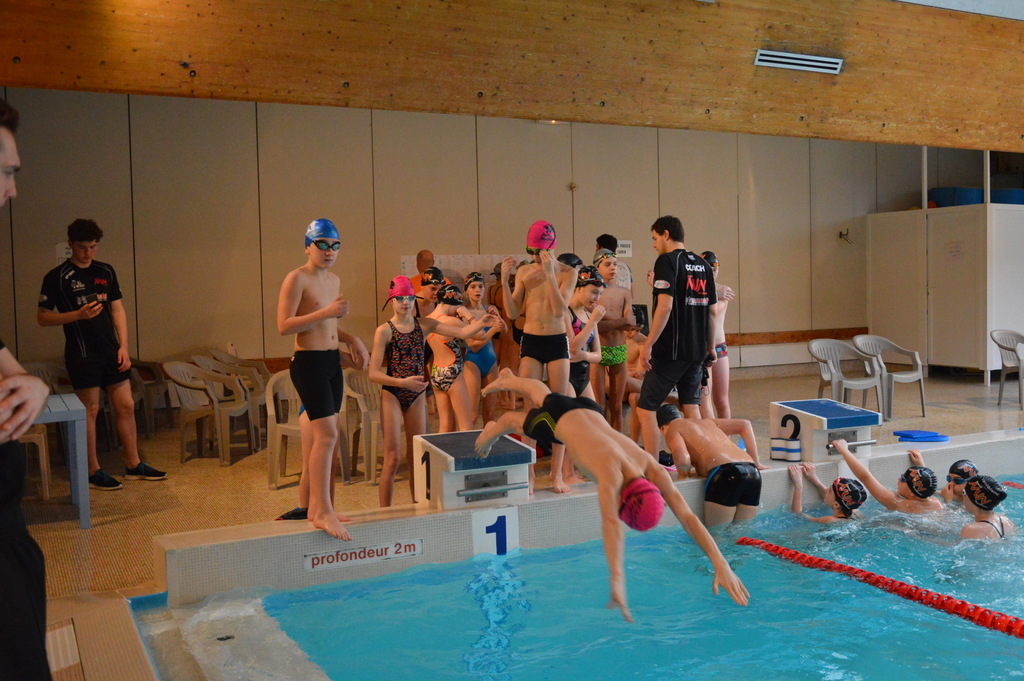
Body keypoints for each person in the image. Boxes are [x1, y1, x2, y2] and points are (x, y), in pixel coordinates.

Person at [474, 369, 749, 622]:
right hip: (561, 422)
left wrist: (719, 561)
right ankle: (492, 429)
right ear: (623, 502)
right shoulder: (611, 472)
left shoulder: (650, 467)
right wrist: (617, 581)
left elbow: (688, 517)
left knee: (545, 396)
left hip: (592, 412)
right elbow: (610, 524)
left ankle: (510, 380)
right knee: (515, 422)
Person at [37, 218, 167, 491]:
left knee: (126, 405)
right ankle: (92, 470)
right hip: (82, 353)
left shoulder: (105, 271)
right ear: (71, 245)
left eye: (93, 247)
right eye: (82, 247)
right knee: (91, 410)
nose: (88, 253)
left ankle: (133, 464)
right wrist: (77, 315)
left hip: (111, 350)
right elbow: (43, 317)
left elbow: (117, 310)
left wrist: (124, 347)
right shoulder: (57, 276)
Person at [0, 96, 55, 681]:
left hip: (10, 534)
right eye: (5, 172)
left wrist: (31, 387)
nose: (13, 190)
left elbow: (14, 371)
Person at [369, 276, 499, 506]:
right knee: (392, 457)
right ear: (391, 300)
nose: (405, 303)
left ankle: (417, 506)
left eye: (409, 298)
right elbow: (373, 374)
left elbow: (463, 334)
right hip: (393, 393)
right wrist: (402, 383)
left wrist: (482, 322)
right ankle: (384, 512)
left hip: (417, 393)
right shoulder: (384, 331)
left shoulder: (425, 325)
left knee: (416, 457)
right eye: (400, 298)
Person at [277, 218, 369, 539]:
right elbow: (284, 325)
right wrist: (327, 312)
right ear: (308, 246)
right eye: (322, 245)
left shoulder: (333, 279)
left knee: (330, 435)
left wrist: (351, 340)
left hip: (331, 362)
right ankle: (323, 511)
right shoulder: (296, 278)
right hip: (308, 364)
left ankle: (318, 508)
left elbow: (327, 326)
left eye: (335, 246)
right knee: (326, 436)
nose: (329, 251)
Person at [500, 220, 577, 493]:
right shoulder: (524, 272)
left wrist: (550, 275)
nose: (534, 257)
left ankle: (556, 475)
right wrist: (504, 282)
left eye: (538, 251)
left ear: (552, 247)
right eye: (531, 251)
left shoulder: (568, 272)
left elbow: (559, 310)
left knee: (558, 409)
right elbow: (512, 313)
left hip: (557, 342)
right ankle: (529, 474)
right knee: (530, 409)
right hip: (531, 341)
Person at [636, 216, 718, 456]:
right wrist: (710, 348)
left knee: (646, 408)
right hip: (697, 350)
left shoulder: (667, 261)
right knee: (691, 407)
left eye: (654, 238)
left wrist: (648, 344)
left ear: (666, 234)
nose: (653, 244)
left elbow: (665, 306)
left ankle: (653, 466)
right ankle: (702, 459)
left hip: (671, 351)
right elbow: (712, 312)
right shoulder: (703, 265)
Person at [656, 404, 767, 526]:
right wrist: (756, 462)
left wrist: (683, 475)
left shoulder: (672, 428)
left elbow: (683, 460)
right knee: (742, 532)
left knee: (716, 534)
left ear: (662, 428)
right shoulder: (707, 422)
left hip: (727, 474)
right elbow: (745, 424)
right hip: (752, 472)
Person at [591, 249, 634, 433]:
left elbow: (630, 324)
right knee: (599, 405)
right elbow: (595, 326)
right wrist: (621, 321)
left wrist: (609, 321)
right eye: (607, 264)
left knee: (617, 406)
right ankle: (601, 441)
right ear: (597, 267)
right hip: (598, 351)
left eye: (615, 264)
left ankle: (618, 441)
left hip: (619, 349)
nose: (613, 268)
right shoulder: (594, 293)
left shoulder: (625, 293)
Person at [834, 441, 943, 514]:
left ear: (911, 493)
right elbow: (926, 489)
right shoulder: (937, 503)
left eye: (903, 479)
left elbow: (865, 477)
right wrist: (921, 467)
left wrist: (844, 450)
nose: (899, 479)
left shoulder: (898, 503)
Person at [426, 284, 479, 433]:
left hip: (436, 373)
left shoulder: (428, 320)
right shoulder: (450, 321)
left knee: (445, 425)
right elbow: (479, 335)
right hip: (453, 372)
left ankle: (440, 449)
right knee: (466, 425)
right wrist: (467, 315)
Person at [462, 272, 502, 425]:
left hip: (491, 363)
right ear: (466, 291)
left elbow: (504, 330)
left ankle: (488, 441)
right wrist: (492, 330)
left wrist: (498, 316)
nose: (477, 290)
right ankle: (467, 441)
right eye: (473, 287)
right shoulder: (464, 314)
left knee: (490, 415)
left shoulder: (489, 310)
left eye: (480, 286)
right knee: (472, 415)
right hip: (473, 362)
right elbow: (473, 346)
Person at [698, 251, 734, 419]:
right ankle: (712, 434)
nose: (712, 273)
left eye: (715, 269)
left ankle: (726, 434)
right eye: (709, 269)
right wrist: (712, 294)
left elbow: (713, 311)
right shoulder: (696, 290)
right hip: (703, 348)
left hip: (719, 347)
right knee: (704, 401)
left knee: (721, 400)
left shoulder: (723, 291)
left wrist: (712, 293)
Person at [789, 463, 867, 523]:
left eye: (829, 491)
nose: (826, 490)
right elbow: (836, 498)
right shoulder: (856, 512)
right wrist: (814, 479)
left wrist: (798, 487)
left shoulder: (830, 520)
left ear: (836, 505)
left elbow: (799, 515)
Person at [960, 475, 1017, 540]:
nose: (963, 496)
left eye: (964, 492)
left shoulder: (971, 530)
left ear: (974, 500)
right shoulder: (1006, 521)